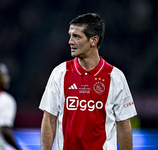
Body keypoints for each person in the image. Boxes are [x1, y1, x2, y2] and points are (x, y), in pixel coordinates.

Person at [39, 13, 137, 150]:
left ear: (93, 40)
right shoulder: (59, 73)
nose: (70, 41)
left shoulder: (115, 77)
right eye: (70, 35)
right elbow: (49, 119)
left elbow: (124, 124)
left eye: (76, 36)